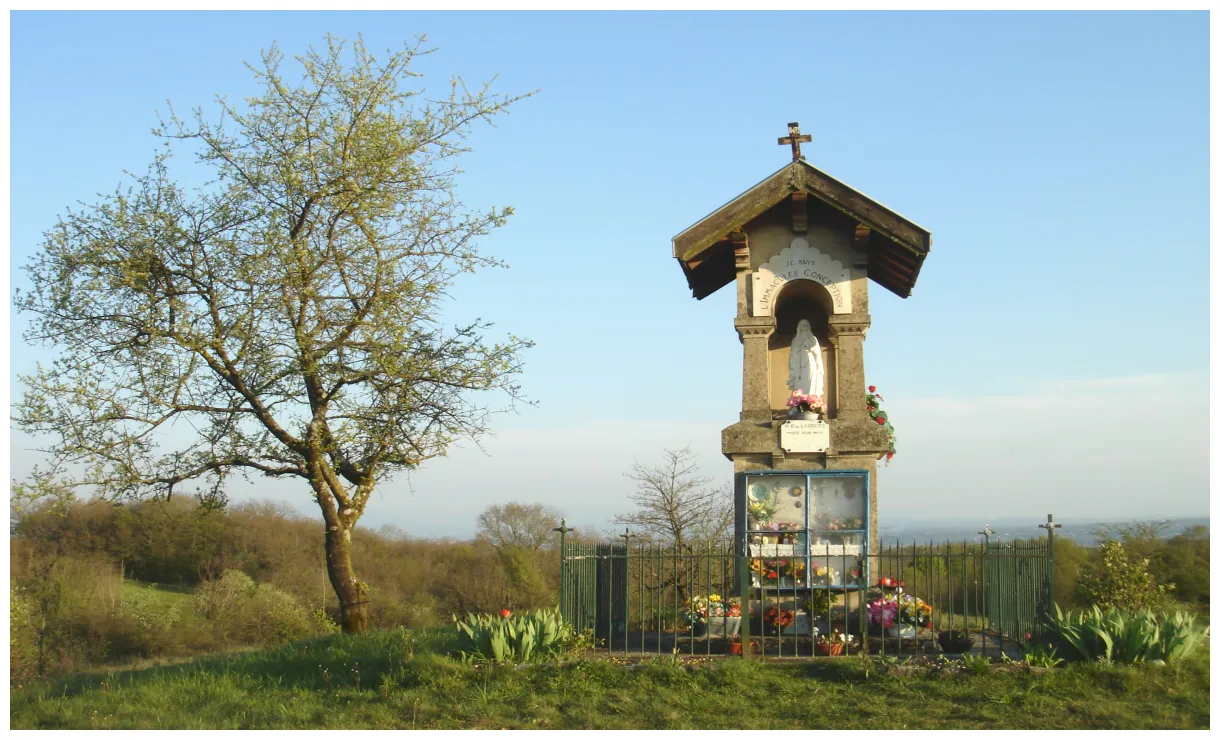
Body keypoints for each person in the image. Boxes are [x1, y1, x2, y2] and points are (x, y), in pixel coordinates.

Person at [787, 319, 824, 397]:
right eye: (802, 324)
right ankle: (799, 399)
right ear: (799, 327)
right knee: (798, 381)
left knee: (810, 379)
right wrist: (800, 347)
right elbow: (793, 353)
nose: (804, 325)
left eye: (806, 324)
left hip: (810, 361)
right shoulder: (795, 340)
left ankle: (811, 398)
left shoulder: (813, 339)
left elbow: (817, 352)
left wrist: (810, 347)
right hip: (798, 364)